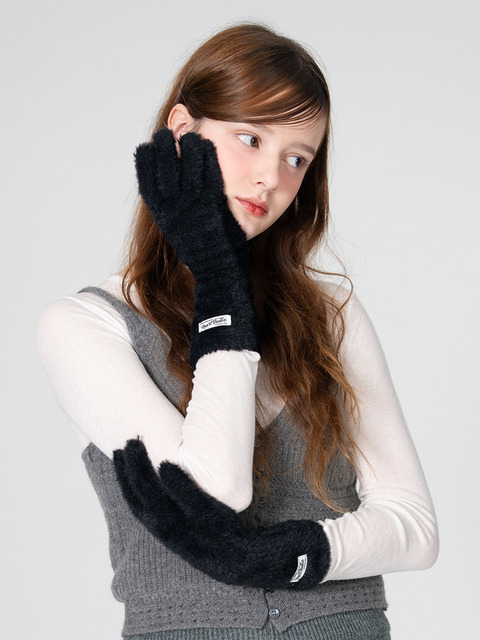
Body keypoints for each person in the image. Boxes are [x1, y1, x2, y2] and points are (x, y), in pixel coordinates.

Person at [36, 23, 439, 640]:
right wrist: (221, 279)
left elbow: (415, 527)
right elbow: (216, 489)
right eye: (250, 138)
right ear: (182, 131)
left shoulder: (331, 313)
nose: (270, 178)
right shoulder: (84, 325)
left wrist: (299, 554)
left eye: (296, 158)